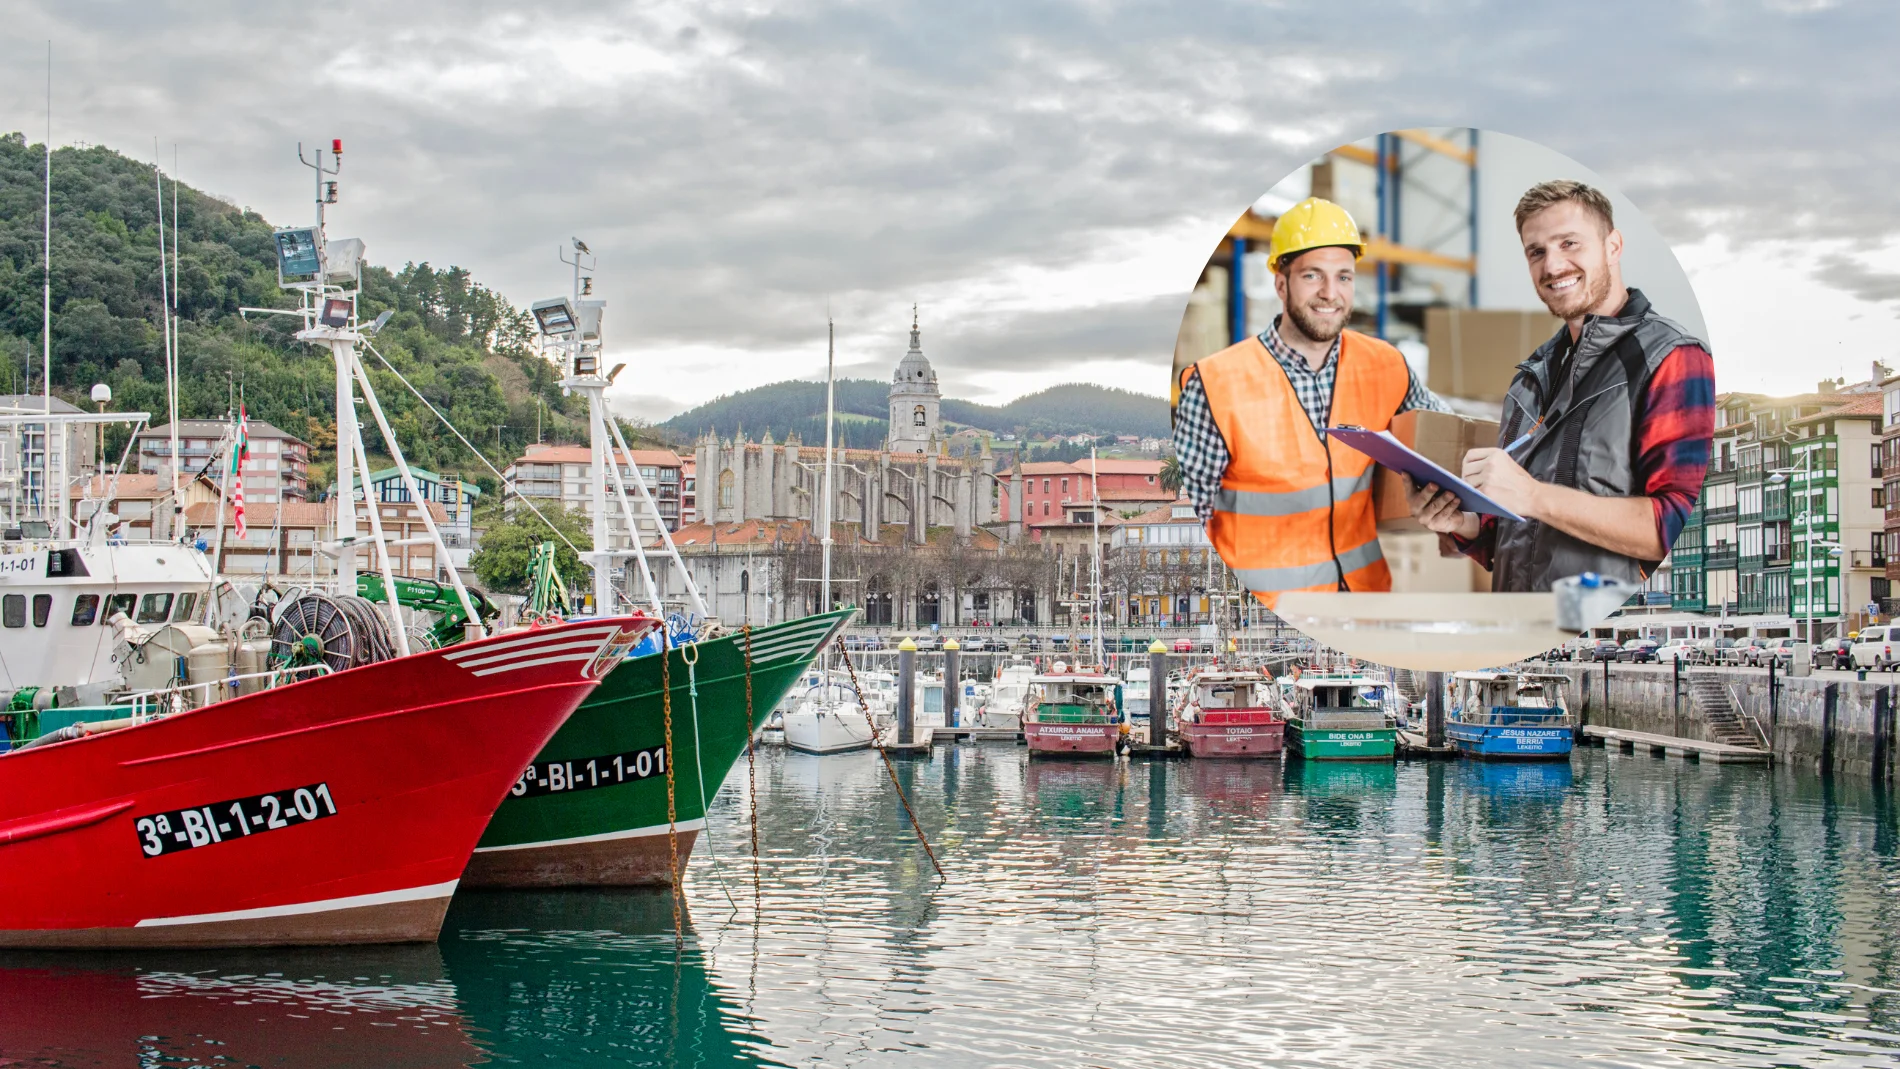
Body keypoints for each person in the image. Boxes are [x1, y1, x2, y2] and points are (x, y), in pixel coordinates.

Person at [1408, 180, 1714, 592]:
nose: (1552, 266)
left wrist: (1534, 496)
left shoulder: (1671, 358)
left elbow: (1681, 524)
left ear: (1613, 246)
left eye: (1569, 243)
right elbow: (1511, 540)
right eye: (1537, 252)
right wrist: (1461, 525)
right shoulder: (1530, 378)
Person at [1175, 197, 1448, 608]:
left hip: (1366, 602)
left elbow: (1444, 442)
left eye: (1344, 277)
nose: (1330, 294)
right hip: (1271, 615)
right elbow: (1189, 522)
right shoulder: (1215, 384)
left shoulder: (1386, 366)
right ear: (1281, 283)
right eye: (1312, 276)